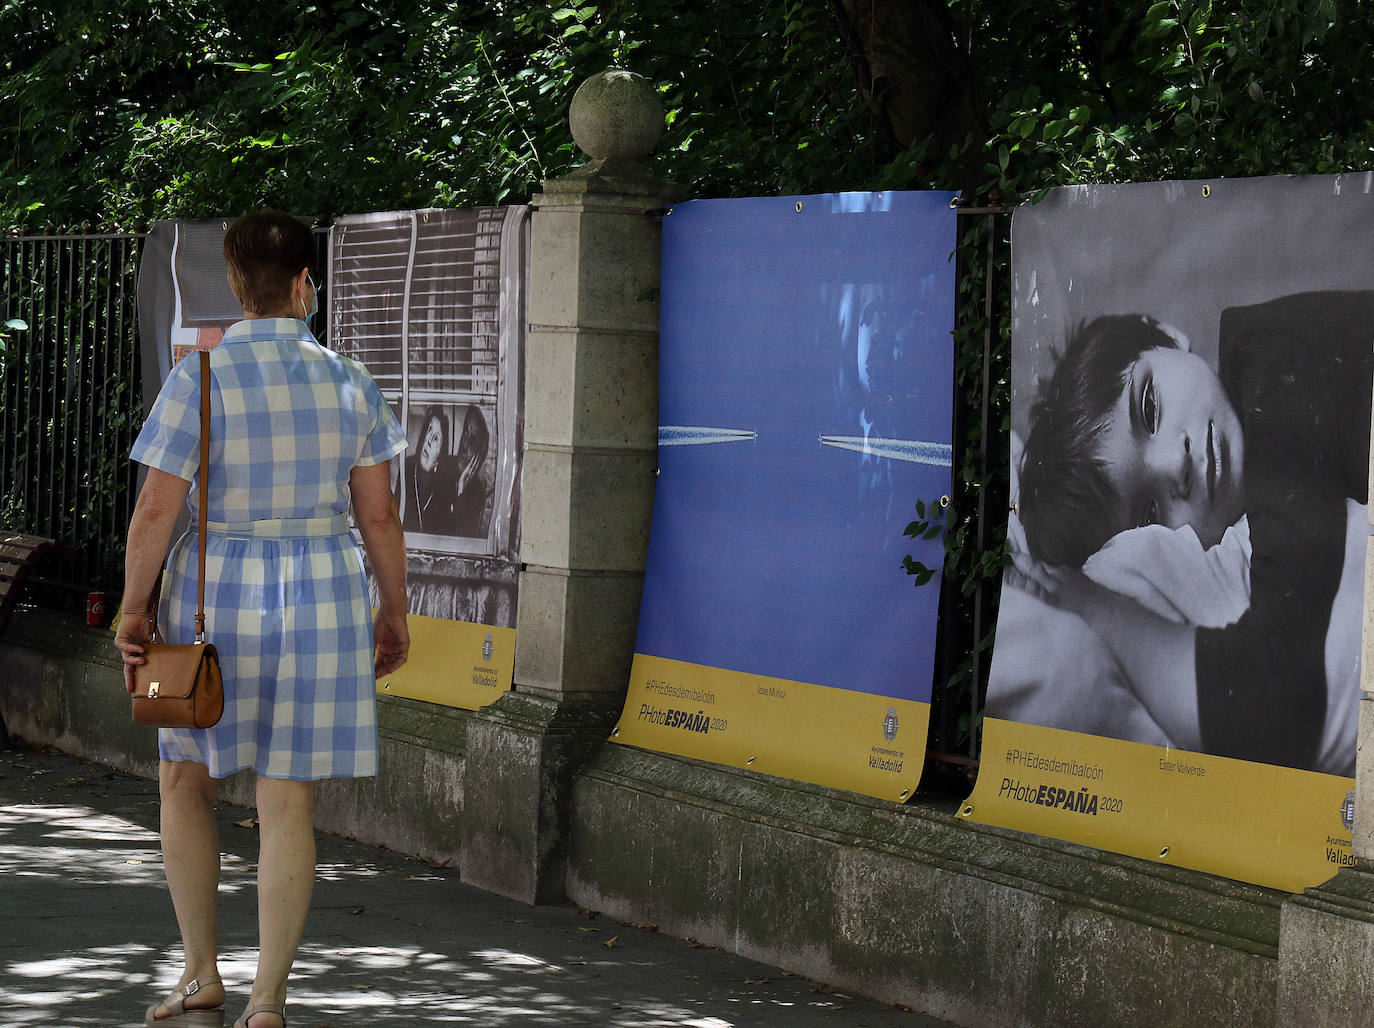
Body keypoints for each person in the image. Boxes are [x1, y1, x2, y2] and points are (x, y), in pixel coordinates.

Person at [114, 209, 411, 1028]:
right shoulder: (353, 382)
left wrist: (134, 611)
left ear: (237, 288)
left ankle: (200, 974)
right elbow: (379, 519)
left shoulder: (198, 378)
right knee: (288, 803)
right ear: (306, 285)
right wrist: (393, 612)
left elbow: (155, 510)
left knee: (185, 778)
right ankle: (268, 999)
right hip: (322, 589)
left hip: (214, 591)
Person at [1014, 292, 1374, 771]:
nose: (1176, 464)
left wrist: (1096, 609)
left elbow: (1280, 705)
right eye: (1148, 514)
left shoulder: (1270, 358)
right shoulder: (1257, 530)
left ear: (1165, 334)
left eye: (1149, 408)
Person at [403, 406, 458, 535]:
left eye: (435, 439)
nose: (428, 441)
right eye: (429, 431)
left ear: (439, 457)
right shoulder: (408, 467)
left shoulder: (445, 487)